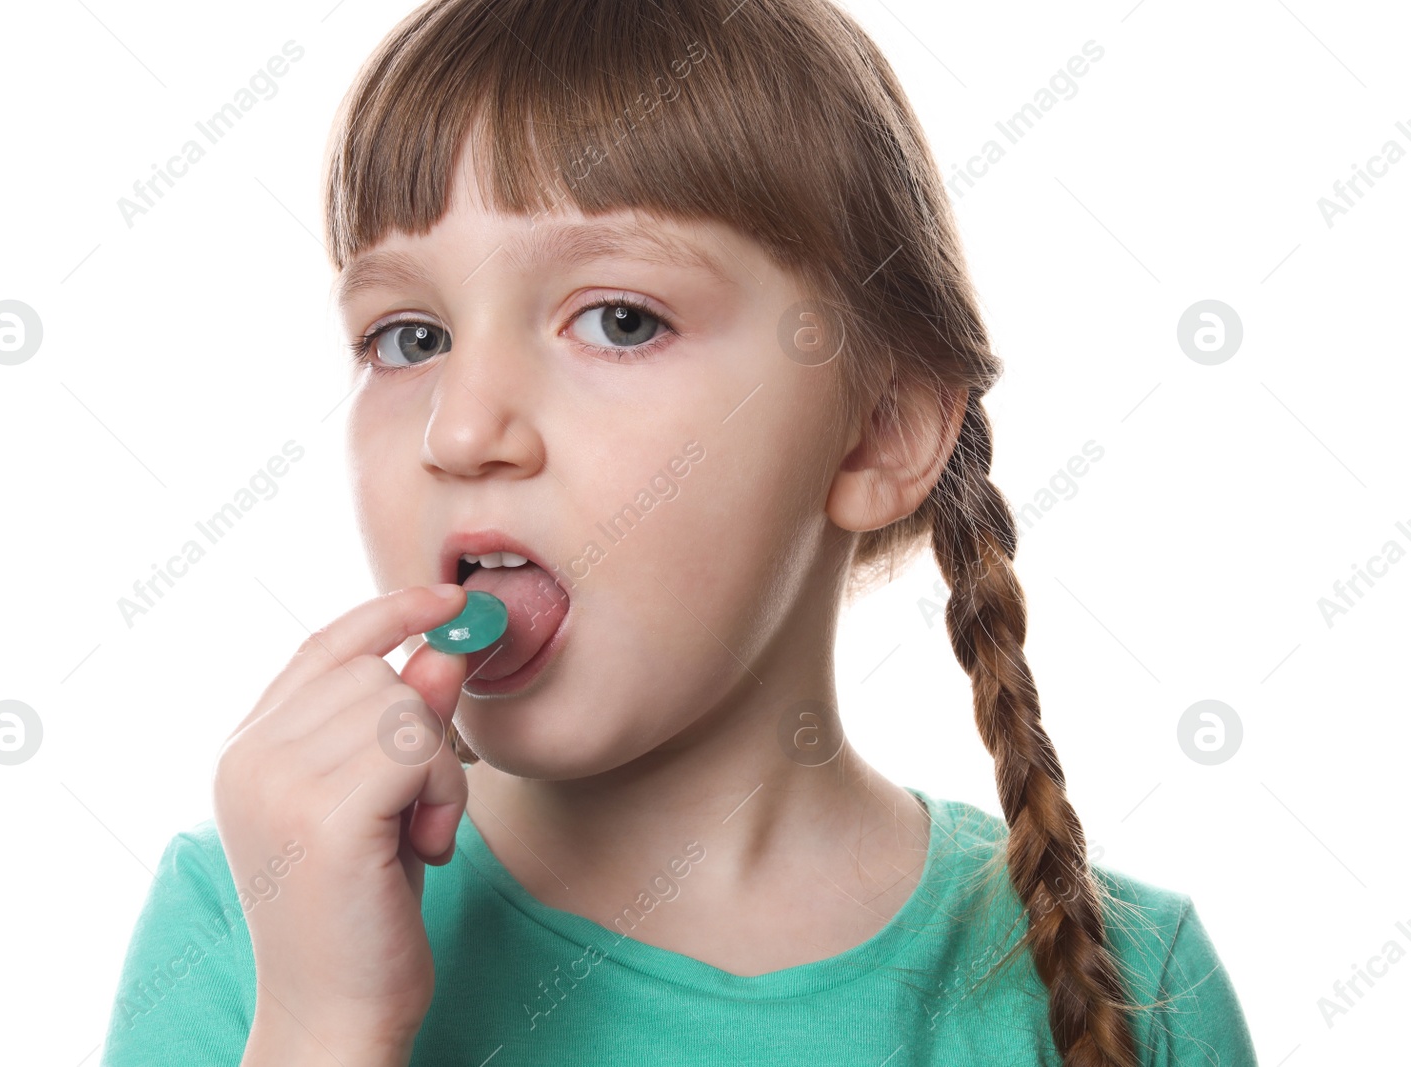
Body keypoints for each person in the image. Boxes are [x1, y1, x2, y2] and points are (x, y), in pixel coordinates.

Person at [100, 0, 1259, 1063]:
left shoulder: (1122, 987)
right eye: (409, 337)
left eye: (616, 318)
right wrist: (324, 1022)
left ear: (877, 428)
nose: (461, 429)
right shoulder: (254, 929)